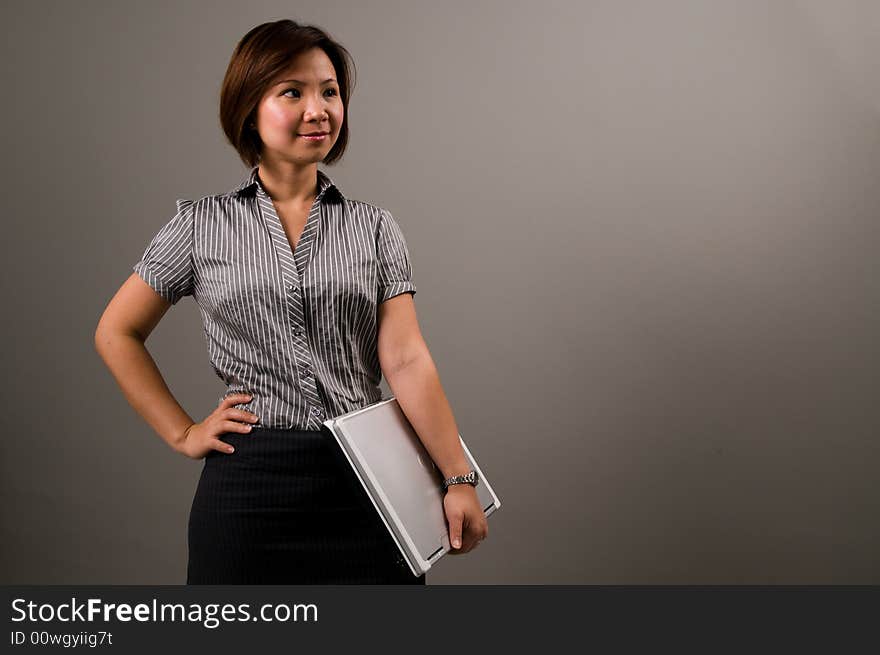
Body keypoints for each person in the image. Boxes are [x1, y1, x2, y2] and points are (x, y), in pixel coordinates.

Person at [94, 19, 488, 584]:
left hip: (371, 486)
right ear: (249, 105)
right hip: (248, 486)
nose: (318, 109)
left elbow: (406, 360)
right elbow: (116, 332)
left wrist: (457, 478)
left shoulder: (374, 228)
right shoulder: (200, 225)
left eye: (329, 91)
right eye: (292, 92)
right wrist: (183, 433)